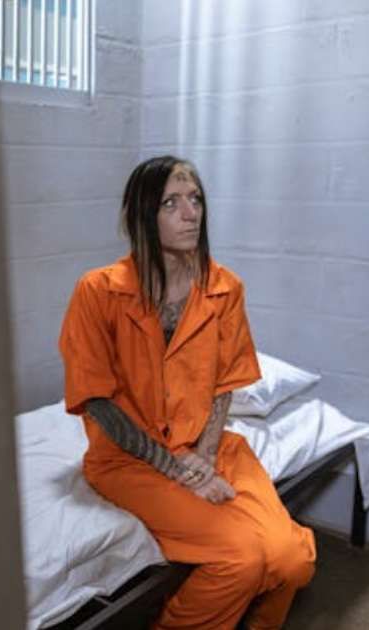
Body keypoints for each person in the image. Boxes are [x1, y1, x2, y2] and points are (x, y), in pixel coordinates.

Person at [58, 156, 315, 629]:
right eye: (171, 203)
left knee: (291, 560)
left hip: (209, 448)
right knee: (241, 558)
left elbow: (224, 385)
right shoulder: (97, 291)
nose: (190, 213)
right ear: (140, 215)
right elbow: (98, 401)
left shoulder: (224, 288)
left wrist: (206, 452)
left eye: (195, 199)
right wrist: (180, 470)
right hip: (128, 459)